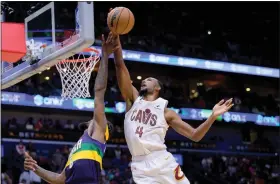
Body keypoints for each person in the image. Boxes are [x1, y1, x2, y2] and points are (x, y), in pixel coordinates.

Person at [111, 34, 234, 184]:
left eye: (149, 80)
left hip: (163, 161)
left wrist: (212, 116)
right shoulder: (133, 100)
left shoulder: (166, 113)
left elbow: (195, 135)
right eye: (144, 79)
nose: (144, 80)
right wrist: (116, 41)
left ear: (157, 88)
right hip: (140, 165)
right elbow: (120, 65)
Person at [23, 33, 116, 184]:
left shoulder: (100, 130)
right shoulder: (78, 148)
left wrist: (105, 56)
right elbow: (59, 179)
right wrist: (36, 168)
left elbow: (99, 92)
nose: (92, 119)